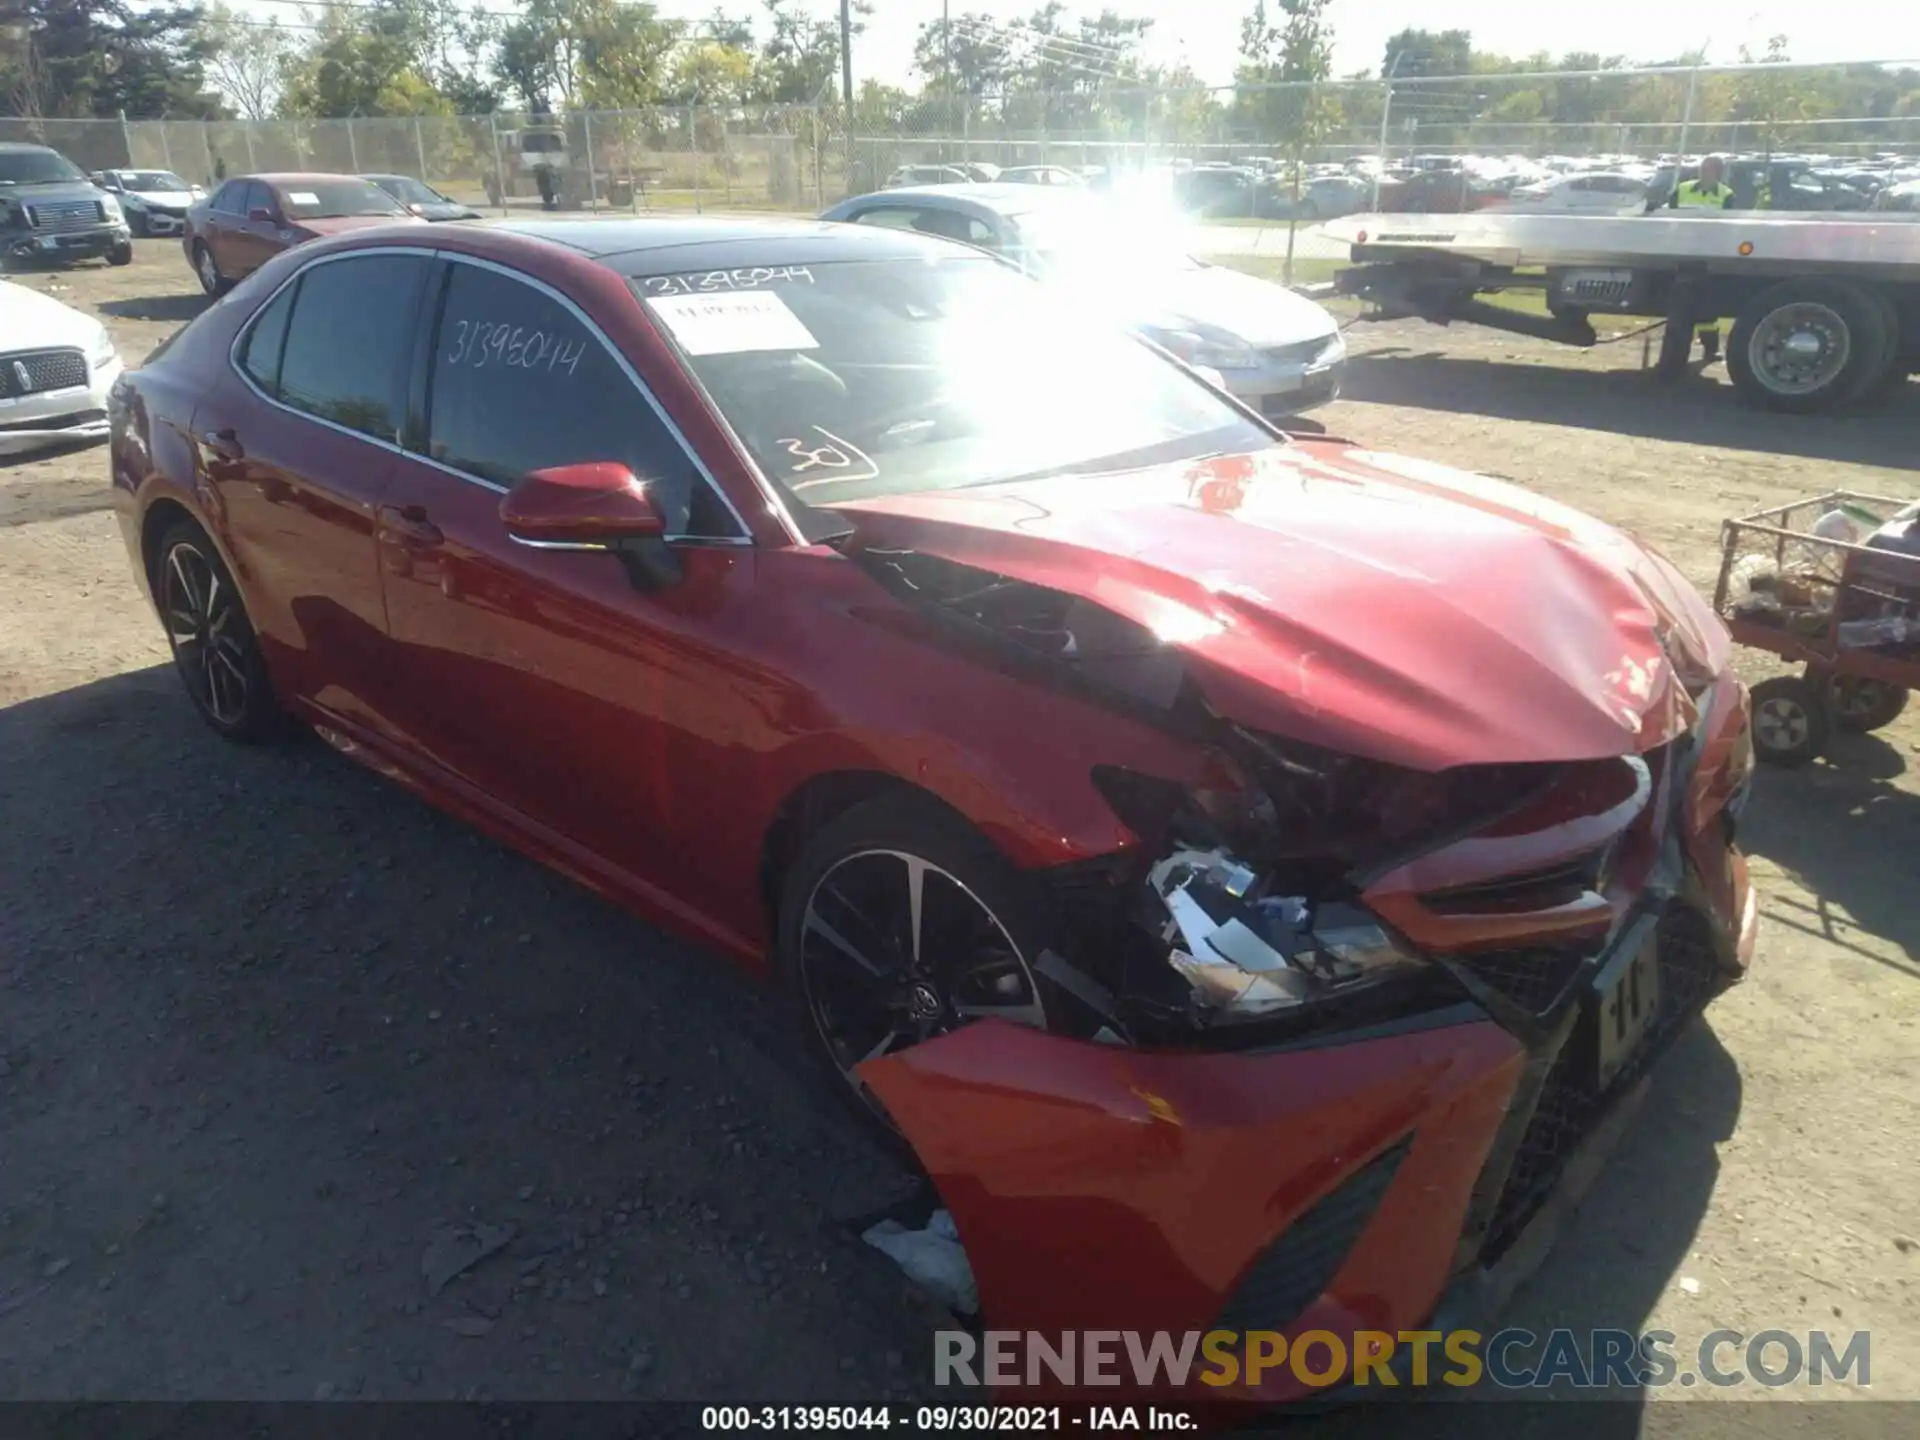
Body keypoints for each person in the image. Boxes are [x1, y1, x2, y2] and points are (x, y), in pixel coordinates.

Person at [1673, 156, 1735, 361]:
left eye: (1708, 170)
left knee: (1707, 309)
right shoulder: (1682, 189)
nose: (1703, 173)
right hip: (1682, 252)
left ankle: (1711, 348)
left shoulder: (1726, 195)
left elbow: (1729, 226)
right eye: (1701, 169)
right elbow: (1666, 217)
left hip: (1710, 255)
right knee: (1680, 308)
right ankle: (1676, 356)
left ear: (1717, 174)